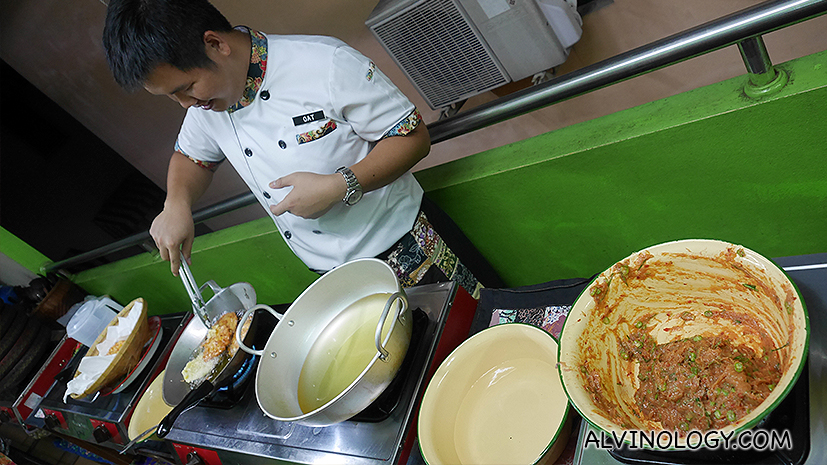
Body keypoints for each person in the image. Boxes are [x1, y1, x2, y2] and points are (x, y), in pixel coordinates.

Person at [102, 0, 503, 298]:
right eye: (172, 97)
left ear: (214, 44)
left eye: (185, 88)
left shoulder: (324, 64)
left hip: (409, 246)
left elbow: (413, 137)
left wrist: (342, 184)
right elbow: (191, 159)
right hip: (332, 276)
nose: (186, 105)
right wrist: (176, 203)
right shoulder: (208, 106)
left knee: (486, 340)